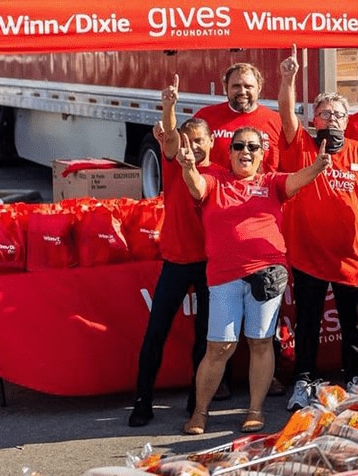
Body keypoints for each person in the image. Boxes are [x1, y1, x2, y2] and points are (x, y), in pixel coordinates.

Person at [180, 126, 328, 435]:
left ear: (262, 155)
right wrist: (188, 166)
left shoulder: (271, 182)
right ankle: (200, 412)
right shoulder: (214, 178)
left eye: (252, 147)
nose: (245, 151)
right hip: (224, 276)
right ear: (230, 152)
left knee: (261, 342)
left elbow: (296, 180)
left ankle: (255, 409)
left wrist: (317, 166)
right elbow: (196, 187)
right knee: (219, 347)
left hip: (266, 275)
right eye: (239, 146)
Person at [277, 47, 358, 409]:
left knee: (355, 324)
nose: (332, 119)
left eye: (338, 114)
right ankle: (304, 380)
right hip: (307, 255)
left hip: (351, 257)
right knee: (307, 322)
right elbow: (288, 117)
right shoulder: (301, 146)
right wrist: (288, 79)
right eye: (325, 114)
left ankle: (354, 377)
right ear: (315, 119)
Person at [129, 76, 223, 428]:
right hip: (176, 263)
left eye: (200, 141)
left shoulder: (220, 175)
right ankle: (142, 400)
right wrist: (169, 107)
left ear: (211, 142)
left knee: (204, 338)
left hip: (211, 267)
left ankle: (196, 401)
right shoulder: (173, 166)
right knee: (156, 333)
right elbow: (169, 136)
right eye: (189, 141)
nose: (194, 147)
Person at [192, 63, 283, 173]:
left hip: (263, 189)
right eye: (236, 86)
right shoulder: (205, 117)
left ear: (259, 88)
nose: (242, 91)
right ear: (226, 87)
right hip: (216, 188)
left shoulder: (277, 121)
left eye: (248, 86)